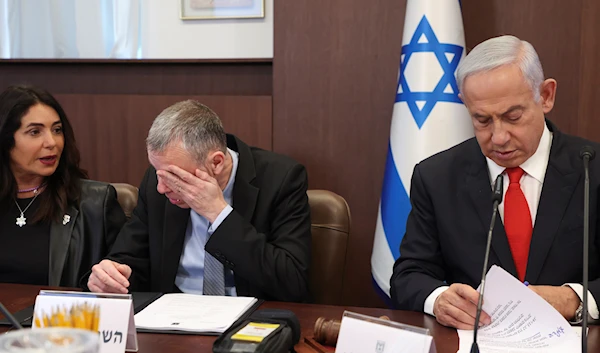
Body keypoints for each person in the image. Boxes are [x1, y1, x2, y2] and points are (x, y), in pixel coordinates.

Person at [390, 35, 600, 329]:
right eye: (482, 120)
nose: (498, 137)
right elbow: (409, 274)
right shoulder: (437, 177)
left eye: (513, 117)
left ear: (546, 96)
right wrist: (438, 299)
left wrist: (574, 299)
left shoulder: (593, 168)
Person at [87, 100, 311, 302]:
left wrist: (219, 214)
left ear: (216, 163)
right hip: (172, 318)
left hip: (249, 321)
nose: (161, 188)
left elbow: (292, 281)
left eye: (175, 178)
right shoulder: (160, 181)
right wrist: (111, 275)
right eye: (158, 173)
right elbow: (130, 258)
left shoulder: (281, 179)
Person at [0, 85, 126, 287]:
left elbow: (129, 278)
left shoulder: (94, 204)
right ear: (6, 140)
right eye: (35, 132)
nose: (51, 142)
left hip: (61, 318)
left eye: (57, 130)